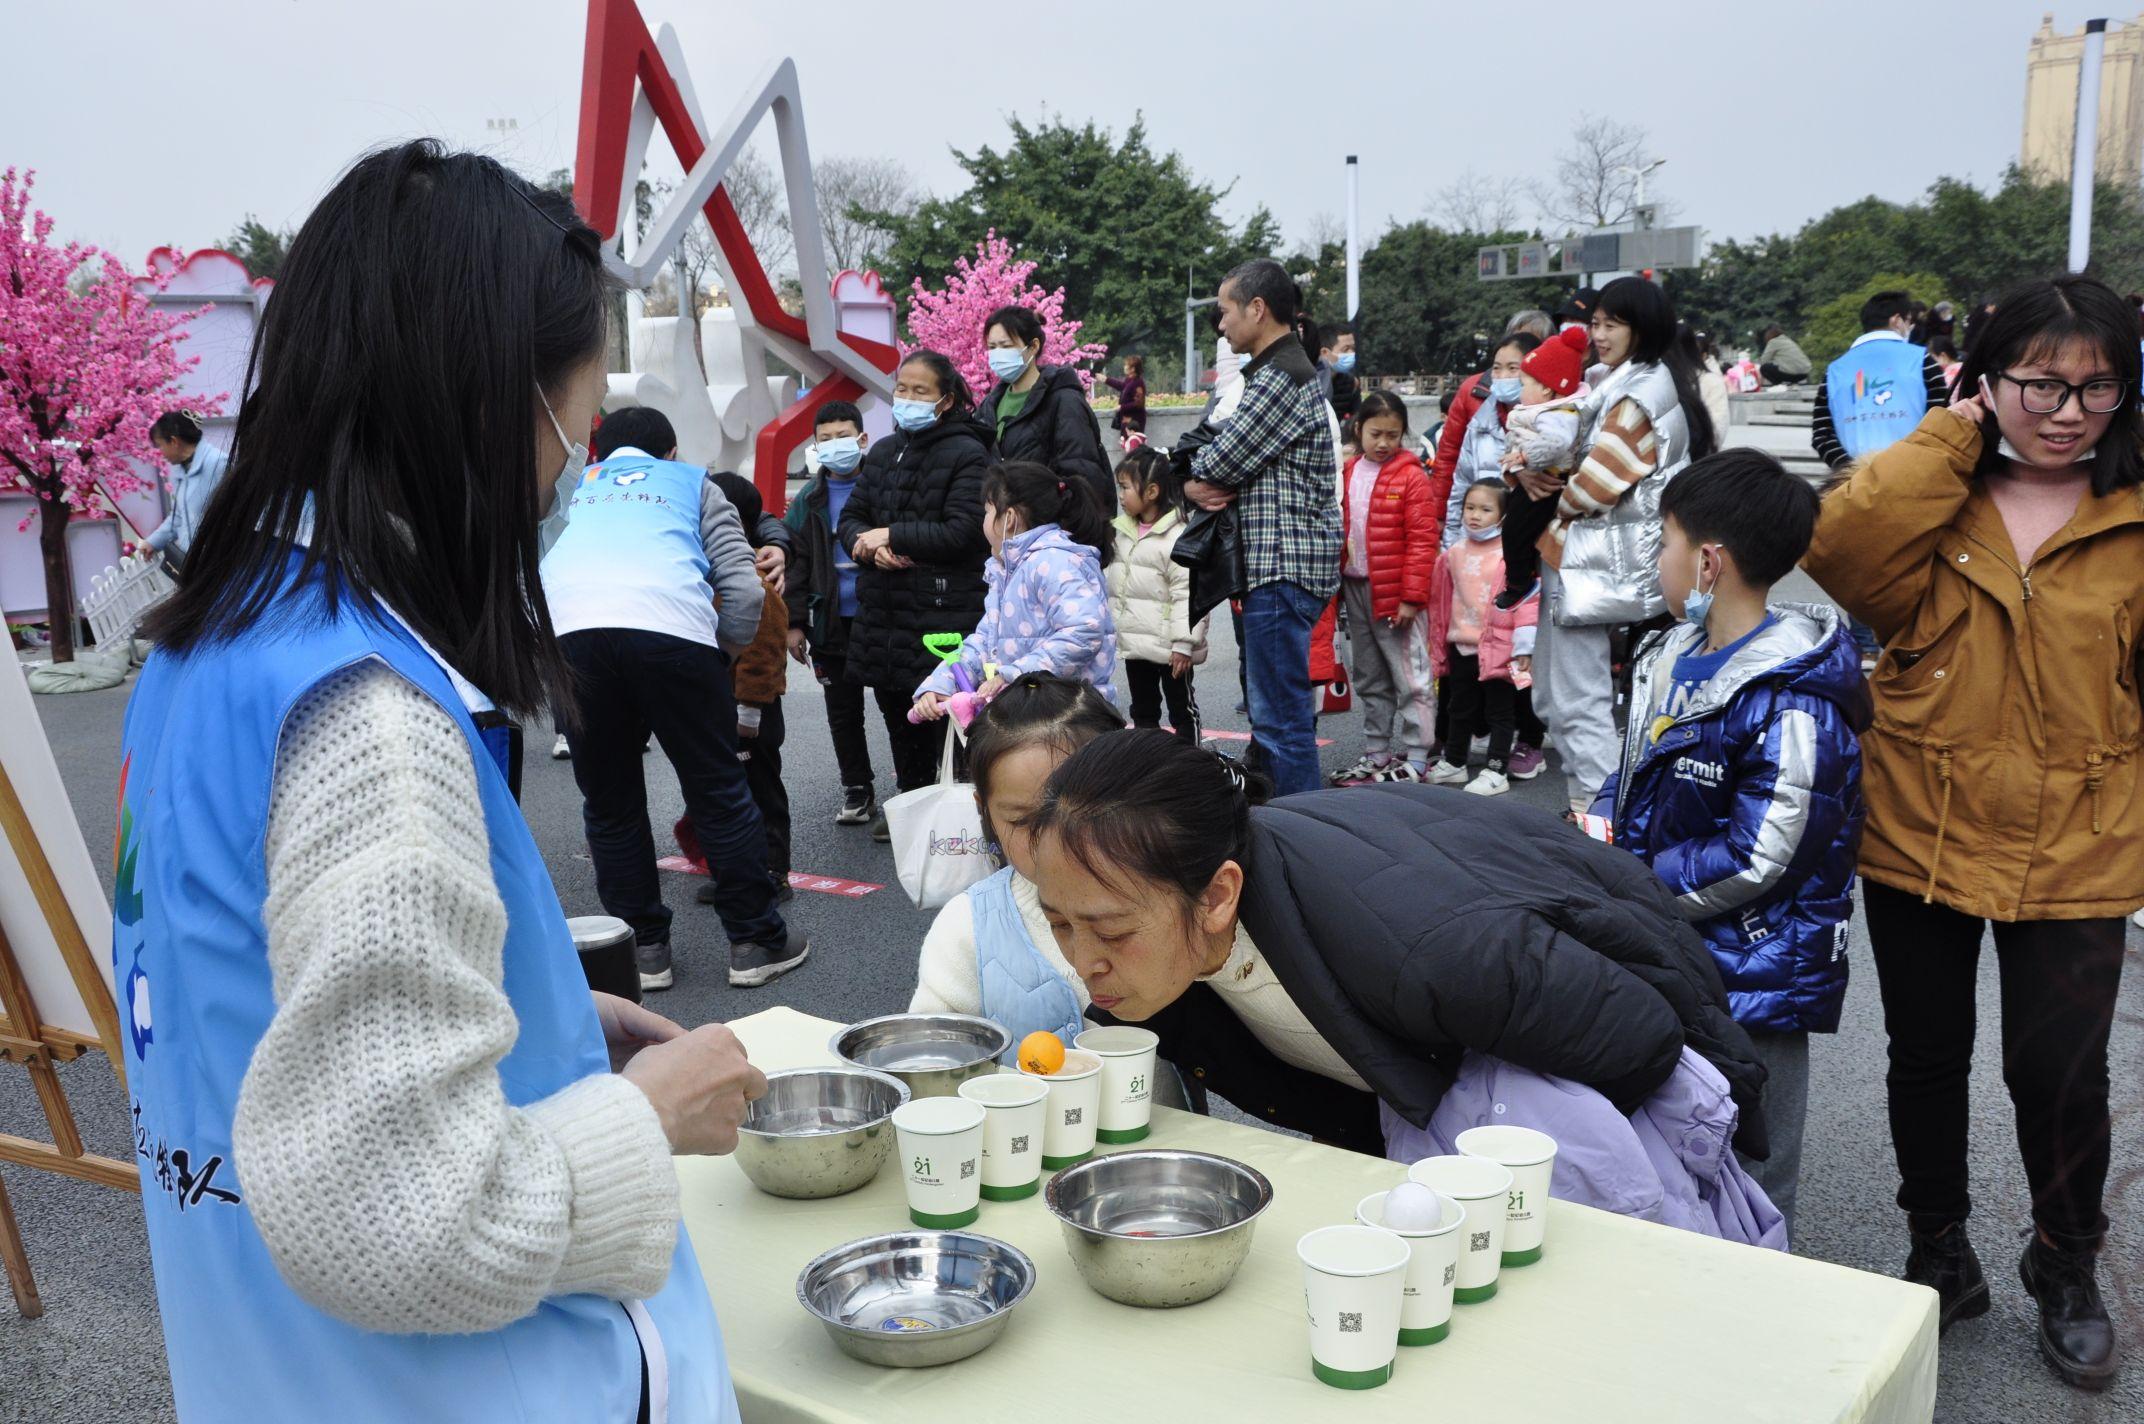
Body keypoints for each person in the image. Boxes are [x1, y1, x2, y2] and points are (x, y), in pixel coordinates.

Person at [124, 139, 757, 1421]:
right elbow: (398, 1219)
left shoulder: (212, 648)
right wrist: (646, 1117)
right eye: (574, 426)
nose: (572, 469)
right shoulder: (372, 718)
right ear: (490, 406)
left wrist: (552, 1025)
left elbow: (263, 1005)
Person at [1803, 276, 2141, 1390]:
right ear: (1982, 380)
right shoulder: (1934, 495)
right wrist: (1950, 430)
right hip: (1921, 820)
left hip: (2084, 836)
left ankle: (2064, 1257)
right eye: (2037, 381)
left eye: (2095, 383)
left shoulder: (2132, 507)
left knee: (2059, 1066)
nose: (2066, 408)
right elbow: (1835, 545)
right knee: (1926, 1053)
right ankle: (1936, 1244)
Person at [1024, 733, 1770, 1169]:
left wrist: (1488, 1149)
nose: (1082, 963)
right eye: (1058, 923)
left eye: (1112, 931)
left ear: (1218, 895)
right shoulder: (1171, 949)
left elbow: (1639, 1042)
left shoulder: (1433, 958)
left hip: (1630, 1013)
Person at [1593, 449, 1866, 1243]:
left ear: (1709, 561)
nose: (1658, 560)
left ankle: (1763, 1288)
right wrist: (1598, 838)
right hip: (1669, 936)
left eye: (1666, 541)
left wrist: (1638, 883)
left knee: (1756, 1152)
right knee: (1671, 1130)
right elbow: (1633, 772)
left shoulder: (1794, 695)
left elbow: (1761, 854)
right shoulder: (1669, 654)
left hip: (1758, 970)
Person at [542, 404, 808, 993]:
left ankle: (643, 952)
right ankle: (754, 941)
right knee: (717, 788)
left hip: (574, 640)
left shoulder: (568, 488)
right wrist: (724, 656)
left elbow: (534, 574)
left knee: (610, 803)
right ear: (669, 454)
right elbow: (743, 590)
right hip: (673, 635)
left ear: (600, 455)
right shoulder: (692, 483)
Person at [1531, 277, 1716, 814]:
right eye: (1596, 323)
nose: (1600, 333)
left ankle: (1598, 808)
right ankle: (1592, 802)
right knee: (1558, 693)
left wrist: (1544, 484)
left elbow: (1594, 484)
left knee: (1576, 698)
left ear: (1643, 328)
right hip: (1592, 558)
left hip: (1592, 562)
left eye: (1613, 324)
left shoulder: (1637, 395)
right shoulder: (1638, 382)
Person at [1182, 259, 1342, 797]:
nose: (1221, 325)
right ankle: (1296, 828)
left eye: (1225, 311)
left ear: (1257, 308)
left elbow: (1218, 461)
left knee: (1280, 722)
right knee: (1278, 716)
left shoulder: (1280, 377)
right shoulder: (1279, 371)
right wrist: (1192, 477)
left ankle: (1304, 834)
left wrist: (1190, 479)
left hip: (1282, 564)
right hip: (1278, 566)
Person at [910, 674, 1125, 1043]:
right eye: (1023, 821)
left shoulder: (1169, 900)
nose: (1053, 843)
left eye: (1081, 813)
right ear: (986, 812)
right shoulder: (967, 929)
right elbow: (932, 1049)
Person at [837, 349, 992, 839]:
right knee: (897, 709)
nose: (907, 398)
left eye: (920, 391)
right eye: (902, 389)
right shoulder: (884, 451)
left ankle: (964, 807)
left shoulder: (969, 453)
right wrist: (869, 548)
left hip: (943, 608)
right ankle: (910, 799)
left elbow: (964, 531)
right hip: (885, 610)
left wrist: (893, 535)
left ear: (945, 400)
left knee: (950, 710)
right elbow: (851, 520)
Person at [914, 461, 1117, 715]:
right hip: (1034, 715)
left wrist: (1013, 675)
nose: (984, 522)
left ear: (1009, 518)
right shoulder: (1009, 569)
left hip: (1071, 718)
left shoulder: (1053, 561)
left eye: (987, 512)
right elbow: (985, 642)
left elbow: (1085, 630)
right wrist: (942, 682)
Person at [1325, 391, 1437, 786]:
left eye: (1393, 434)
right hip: (1356, 588)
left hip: (1394, 594)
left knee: (1410, 676)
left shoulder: (1411, 475)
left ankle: (1419, 755)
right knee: (1369, 675)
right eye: (1376, 433)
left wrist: (1411, 598)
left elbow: (1424, 540)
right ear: (1359, 429)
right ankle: (1377, 753)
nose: (1384, 442)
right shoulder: (1349, 471)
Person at [783, 400, 878, 827]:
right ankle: (857, 789)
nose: (835, 445)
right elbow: (794, 562)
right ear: (815, 447)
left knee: (901, 706)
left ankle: (918, 786)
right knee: (842, 710)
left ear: (862, 438)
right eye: (826, 439)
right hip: (830, 620)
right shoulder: (808, 499)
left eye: (843, 436)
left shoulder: (883, 485)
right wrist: (794, 622)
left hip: (882, 615)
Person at [711, 472, 794, 908]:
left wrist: (748, 714)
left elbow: (763, 658)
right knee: (728, 790)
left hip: (753, 712)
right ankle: (736, 869)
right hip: (721, 706)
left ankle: (773, 871)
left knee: (760, 789)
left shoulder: (753, 580)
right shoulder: (710, 571)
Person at [1426, 480, 1538, 796]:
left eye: (1486, 509)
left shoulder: (1511, 554)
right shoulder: (1453, 554)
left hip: (1499, 648)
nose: (1475, 515)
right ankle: (1455, 761)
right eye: (1470, 507)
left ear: (1503, 516)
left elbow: (1527, 602)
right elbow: (1441, 600)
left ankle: (1496, 768)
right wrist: (1437, 642)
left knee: (1499, 712)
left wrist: (1524, 645)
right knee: (1457, 707)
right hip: (1461, 643)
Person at [1480, 326, 1588, 606]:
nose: (1516, 386)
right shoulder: (1536, 411)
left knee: (1517, 530)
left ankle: (1519, 583)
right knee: (1513, 529)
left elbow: (1556, 444)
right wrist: (1516, 467)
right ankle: (1519, 580)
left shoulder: (1558, 414)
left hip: (1548, 484)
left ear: (1545, 388)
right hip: (1531, 480)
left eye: (1524, 381)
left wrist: (1526, 458)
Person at [1109, 445, 1207, 743]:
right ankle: (1148, 768)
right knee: (1143, 710)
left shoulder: (1177, 535)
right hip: (1137, 643)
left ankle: (1191, 764)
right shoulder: (1121, 531)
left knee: (1182, 710)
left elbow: (1189, 593)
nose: (1121, 495)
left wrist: (1184, 644)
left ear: (1151, 492)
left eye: (1125, 487)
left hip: (1171, 648)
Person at [1428, 310, 1556, 535]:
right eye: (1498, 367)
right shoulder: (1476, 404)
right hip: (1480, 534)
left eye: (1514, 366)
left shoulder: (1558, 413)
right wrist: (1444, 523)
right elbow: (1451, 461)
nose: (1504, 375)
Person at [978, 304, 1112, 507]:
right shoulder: (989, 405)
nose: (998, 354)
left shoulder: (1063, 401)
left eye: (1006, 346)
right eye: (992, 347)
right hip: (1001, 526)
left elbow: (1081, 475)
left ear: (1033, 346)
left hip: (1045, 526)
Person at [1811, 290, 1949, 474]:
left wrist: (1851, 471)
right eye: (1909, 322)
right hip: (1916, 479)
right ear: (1897, 320)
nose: (1910, 328)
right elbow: (1943, 422)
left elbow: (1821, 435)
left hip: (1856, 488)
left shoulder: (1834, 370)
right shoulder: (1922, 360)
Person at [144, 411, 231, 569]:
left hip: (220, 564)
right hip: (193, 564)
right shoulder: (179, 470)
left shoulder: (219, 464)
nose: (160, 453)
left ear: (174, 441)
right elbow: (178, 516)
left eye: (160, 446)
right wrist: (152, 542)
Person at [1104, 354, 1148, 449]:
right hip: (1126, 421)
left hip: (1135, 422)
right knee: (1127, 447)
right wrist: (1106, 380)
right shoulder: (1129, 380)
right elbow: (1121, 386)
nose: (1125, 367)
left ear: (1133, 368)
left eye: (1127, 365)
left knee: (1134, 449)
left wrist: (1122, 407)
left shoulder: (1138, 383)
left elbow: (1139, 403)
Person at [1323, 321, 1361, 420]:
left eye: (1353, 348)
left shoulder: (1351, 384)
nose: (1351, 353)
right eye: (1345, 349)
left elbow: (1357, 420)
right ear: (1325, 353)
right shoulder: (1308, 382)